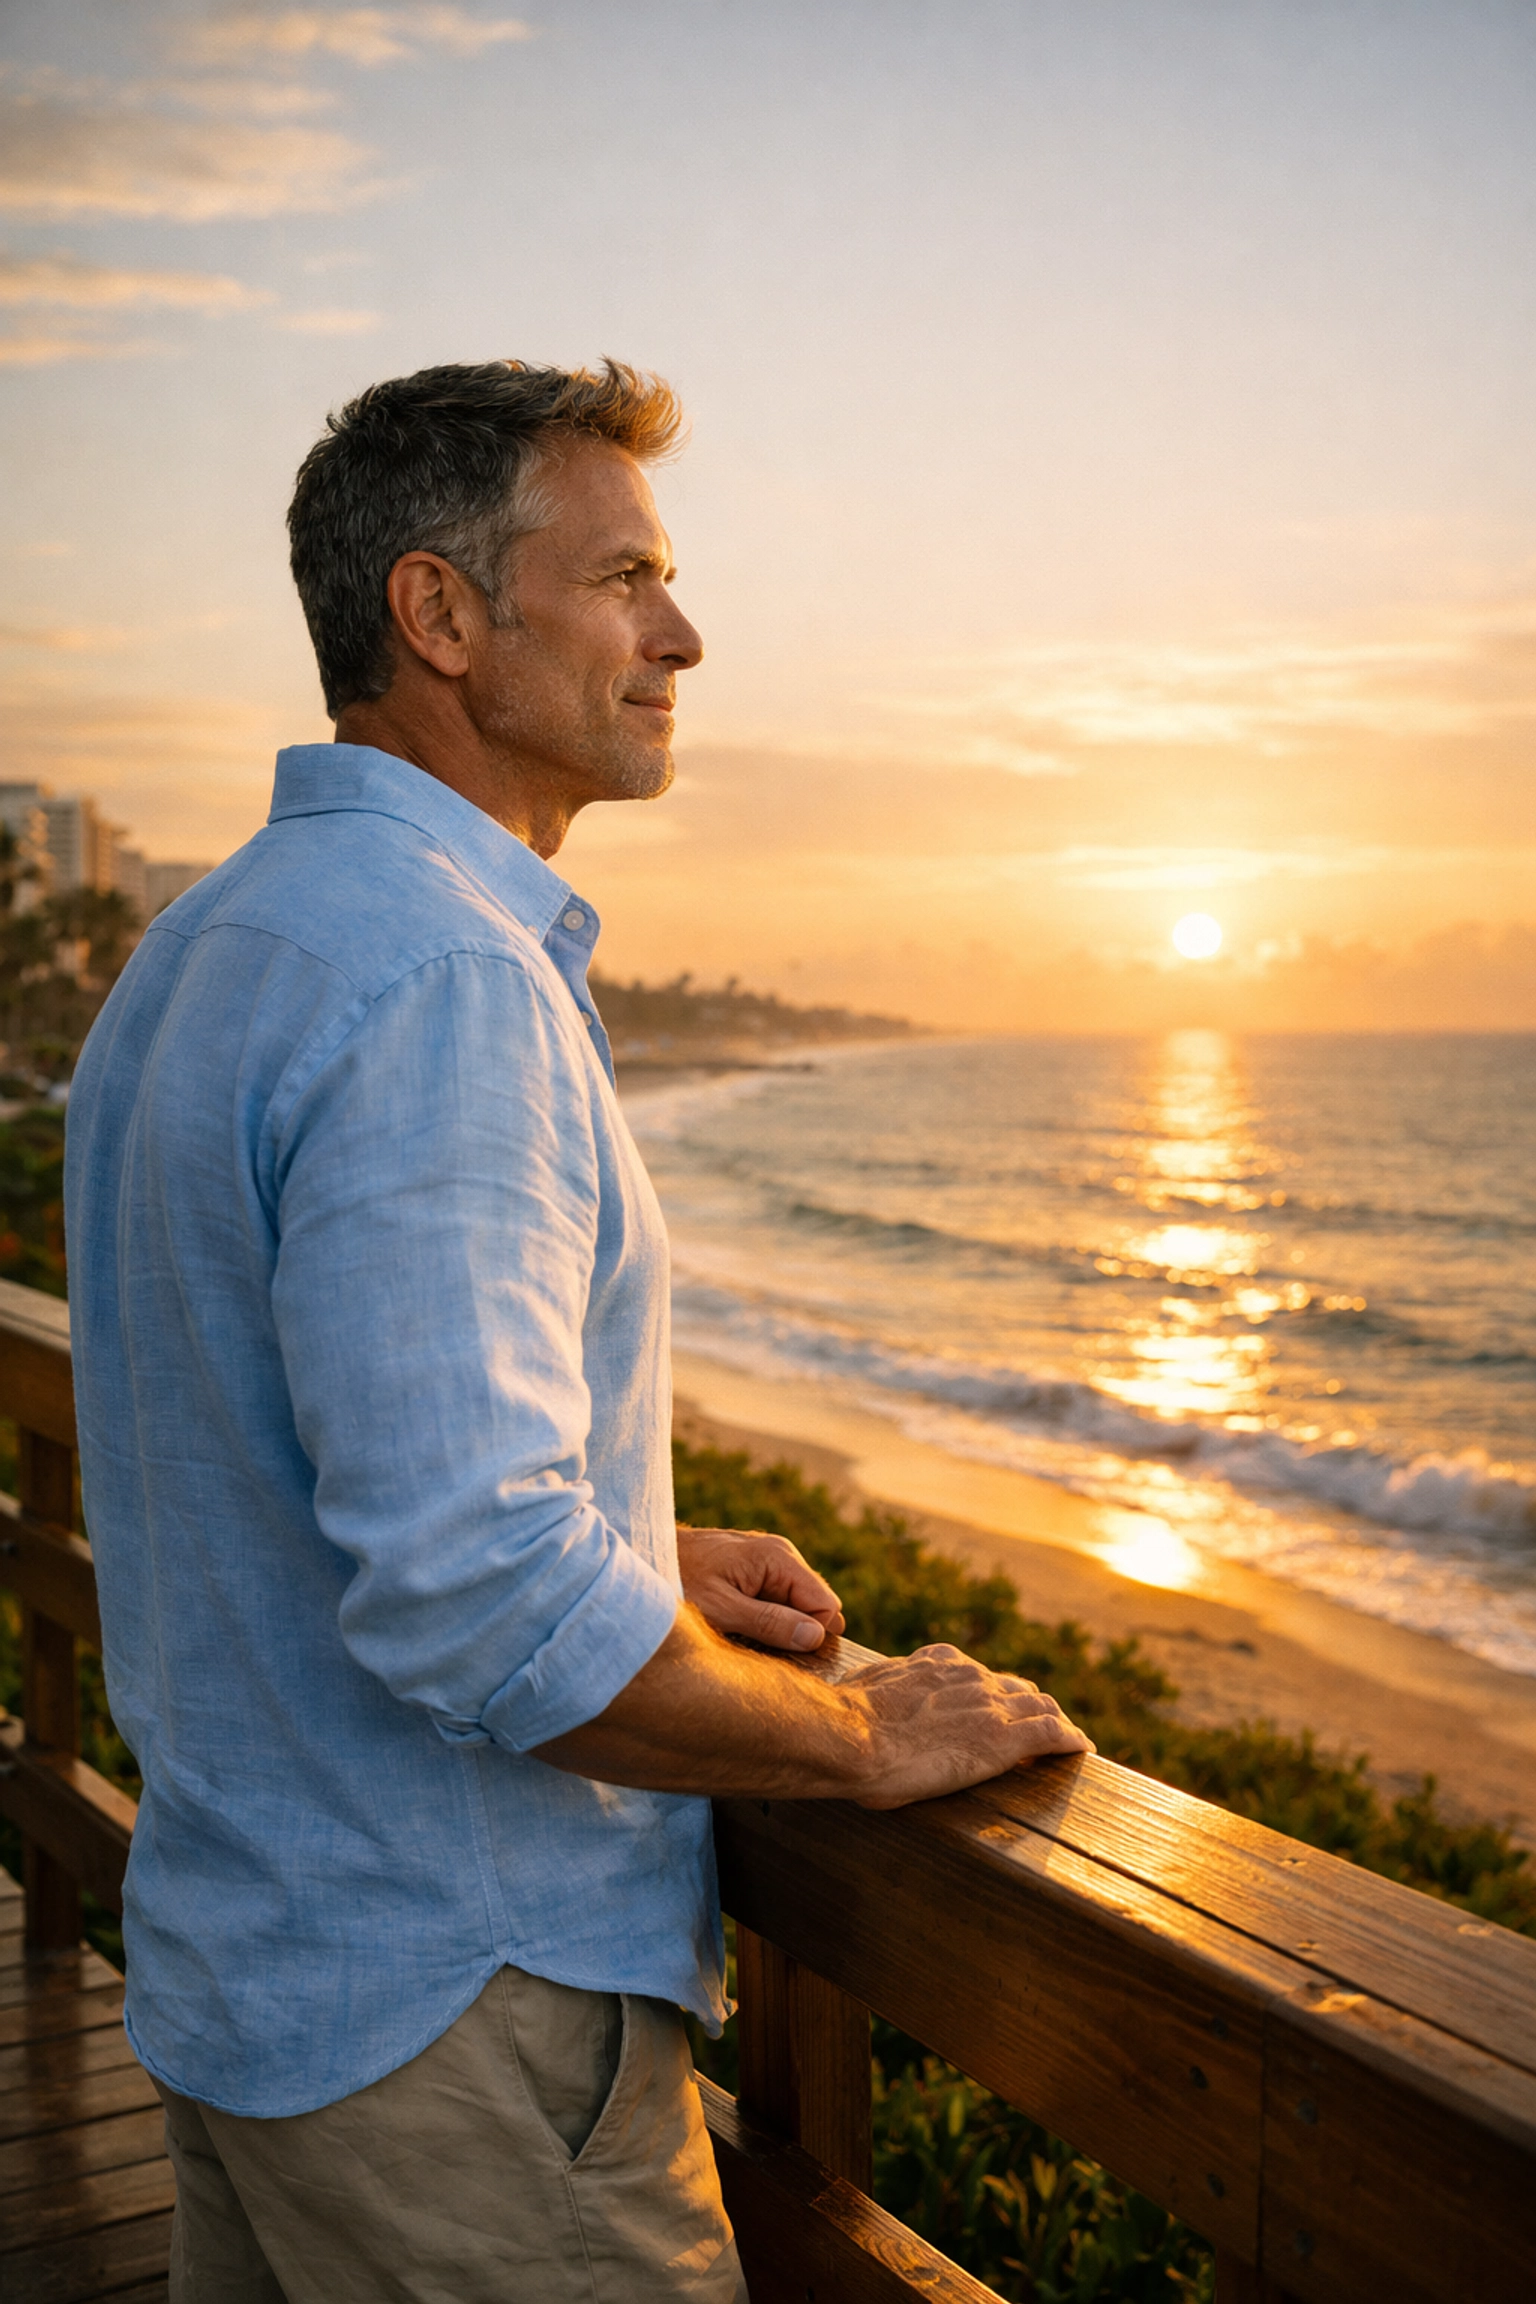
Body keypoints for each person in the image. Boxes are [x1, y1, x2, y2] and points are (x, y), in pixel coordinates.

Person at [65, 359, 1091, 2304]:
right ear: (441, 618)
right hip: (461, 2029)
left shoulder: (214, 943)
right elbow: (473, 1594)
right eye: (624, 577)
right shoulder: (442, 977)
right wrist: (848, 1730)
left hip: (256, 1978)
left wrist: (633, 1538)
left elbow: (254, 1441)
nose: (682, 632)